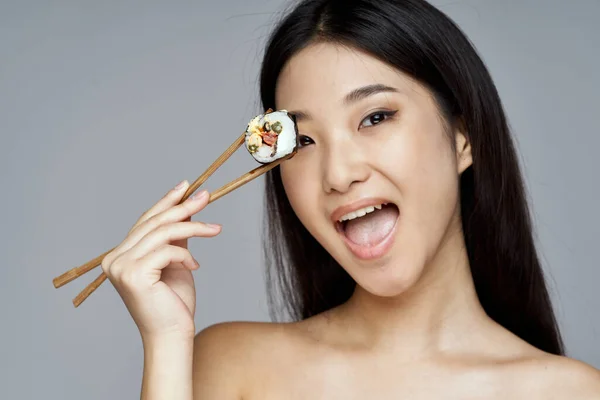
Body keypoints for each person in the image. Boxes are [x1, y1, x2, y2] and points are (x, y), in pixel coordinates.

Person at [100, 0, 600, 398]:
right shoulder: (228, 364)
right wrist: (164, 343)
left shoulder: (570, 392)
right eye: (304, 142)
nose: (338, 174)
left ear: (463, 138)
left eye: (375, 118)